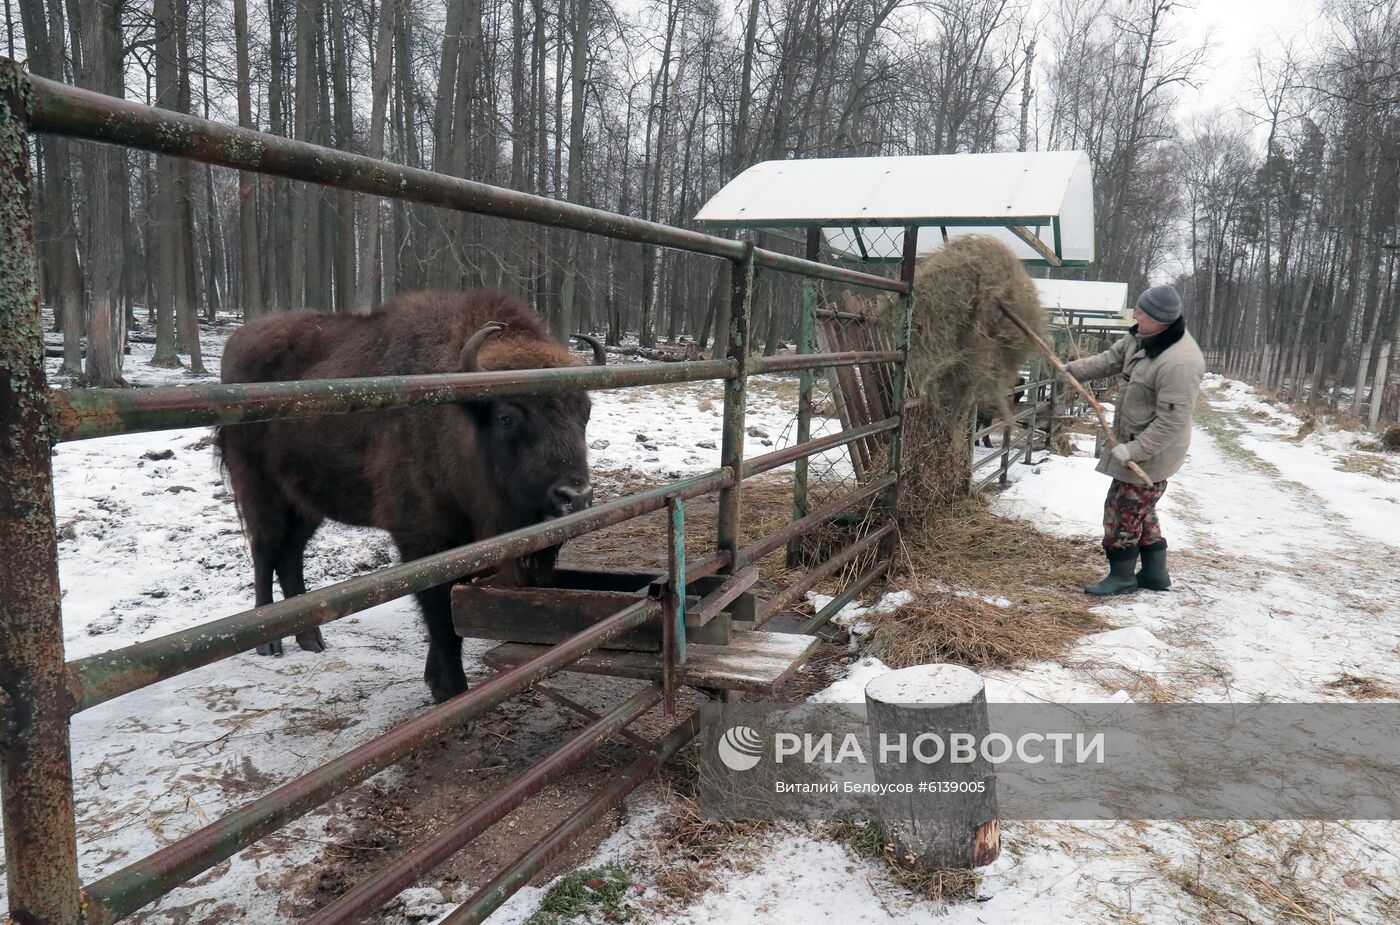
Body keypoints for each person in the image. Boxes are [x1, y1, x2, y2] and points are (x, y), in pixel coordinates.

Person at [1062, 284, 1205, 596]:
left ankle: (1122, 577)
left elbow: (1171, 421)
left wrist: (1134, 451)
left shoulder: (1180, 362)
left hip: (1153, 452)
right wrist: (1074, 370)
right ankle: (1155, 573)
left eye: (1142, 311)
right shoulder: (1141, 335)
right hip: (1136, 442)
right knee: (1143, 507)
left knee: (1121, 510)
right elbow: (1111, 359)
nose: (1135, 314)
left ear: (1161, 320)